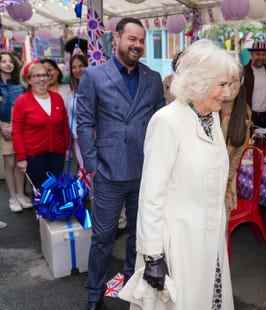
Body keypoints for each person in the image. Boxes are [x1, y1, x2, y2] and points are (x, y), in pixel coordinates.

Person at [119, 39, 239, 310]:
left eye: (229, 85)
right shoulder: (167, 121)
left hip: (209, 240)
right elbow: (151, 195)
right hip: (177, 244)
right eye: (222, 85)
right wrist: (152, 256)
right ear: (198, 82)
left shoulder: (211, 119)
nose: (228, 93)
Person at [76, 17, 165, 310]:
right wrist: (92, 164)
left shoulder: (152, 78)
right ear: (116, 39)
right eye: (132, 39)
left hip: (145, 172)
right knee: (103, 238)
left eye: (141, 40)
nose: (137, 45)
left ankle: (133, 290)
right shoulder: (94, 76)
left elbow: (161, 123)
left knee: (139, 238)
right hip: (108, 171)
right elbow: (85, 121)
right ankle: (93, 296)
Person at [12, 61, 69, 189]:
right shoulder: (22, 101)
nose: (42, 78)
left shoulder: (57, 98)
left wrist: (66, 147)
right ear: (29, 80)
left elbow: (64, 125)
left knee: (56, 189)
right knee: (41, 193)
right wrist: (21, 158)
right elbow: (17, 132)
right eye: (37, 76)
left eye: (45, 75)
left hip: (57, 154)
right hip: (34, 157)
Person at [0, 52, 31, 212]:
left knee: (20, 163)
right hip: (3, 128)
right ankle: (12, 197)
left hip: (20, 128)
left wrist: (15, 126)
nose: (7, 64)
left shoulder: (19, 85)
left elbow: (23, 107)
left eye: (10, 61)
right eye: (3, 61)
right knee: (9, 163)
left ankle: (20, 193)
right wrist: (2, 127)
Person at [221, 84, 251, 217]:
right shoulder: (208, 108)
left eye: (234, 81)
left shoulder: (243, 113)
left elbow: (236, 158)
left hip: (224, 183)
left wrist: (224, 182)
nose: (228, 86)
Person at [243, 41, 266, 129]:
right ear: (251, 54)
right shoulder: (244, 71)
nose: (261, 57)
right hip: (250, 116)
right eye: (257, 54)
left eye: (263, 54)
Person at [66, 53, 88, 173]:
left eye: (81, 66)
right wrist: (75, 134)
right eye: (74, 67)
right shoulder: (73, 90)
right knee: (83, 170)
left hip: (94, 139)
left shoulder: (95, 86)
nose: (77, 70)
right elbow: (71, 116)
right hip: (78, 139)